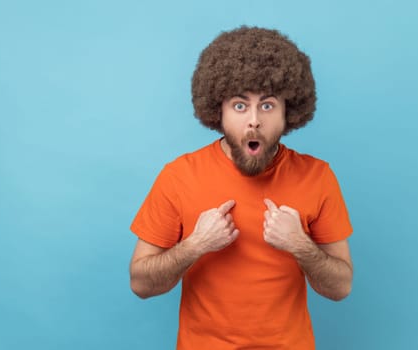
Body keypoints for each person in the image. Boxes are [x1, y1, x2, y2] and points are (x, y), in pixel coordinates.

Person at [129, 26, 353, 350]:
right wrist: (195, 245)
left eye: (267, 105)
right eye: (239, 105)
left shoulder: (317, 177)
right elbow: (141, 283)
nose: (253, 121)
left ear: (287, 112)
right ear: (217, 111)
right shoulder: (179, 177)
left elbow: (341, 287)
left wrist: (300, 244)